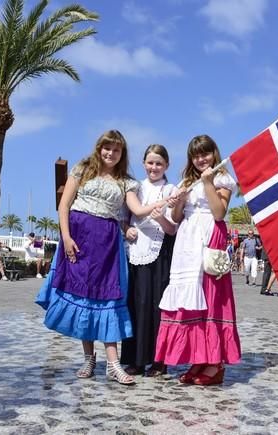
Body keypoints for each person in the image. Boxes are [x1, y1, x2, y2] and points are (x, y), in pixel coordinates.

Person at [36, 130, 165, 385]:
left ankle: (113, 364)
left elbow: (137, 209)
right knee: (84, 296)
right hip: (79, 238)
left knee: (106, 297)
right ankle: (89, 358)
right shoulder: (83, 169)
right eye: (107, 148)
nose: (110, 153)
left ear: (122, 154)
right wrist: (66, 237)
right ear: (99, 148)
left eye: (116, 150)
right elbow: (64, 206)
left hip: (107, 243)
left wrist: (161, 203)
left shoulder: (126, 181)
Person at [155, 134, 242, 386]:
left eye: (205, 153)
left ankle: (216, 363)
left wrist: (207, 184)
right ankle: (200, 357)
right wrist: (179, 201)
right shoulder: (186, 181)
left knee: (211, 296)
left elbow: (219, 212)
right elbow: (176, 216)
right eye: (196, 155)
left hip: (209, 236)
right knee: (191, 301)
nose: (201, 158)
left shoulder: (223, 179)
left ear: (214, 153)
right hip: (186, 240)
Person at [120, 144, 177, 377]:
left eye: (159, 163)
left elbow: (172, 228)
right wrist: (126, 230)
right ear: (144, 163)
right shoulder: (135, 187)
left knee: (156, 306)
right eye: (150, 162)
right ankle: (135, 359)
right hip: (134, 250)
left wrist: (162, 218)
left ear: (166, 166)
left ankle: (158, 360)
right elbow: (123, 218)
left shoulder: (171, 190)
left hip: (159, 253)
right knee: (135, 304)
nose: (154, 167)